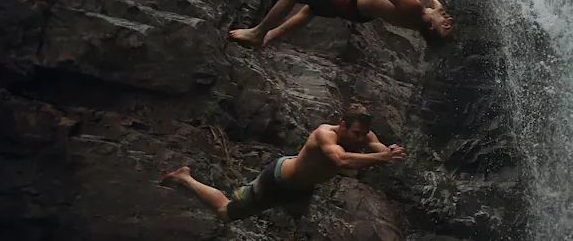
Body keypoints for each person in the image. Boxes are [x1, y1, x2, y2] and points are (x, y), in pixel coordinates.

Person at [160, 103, 406, 222]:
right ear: (342, 126)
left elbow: (381, 150)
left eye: (363, 134)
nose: (360, 138)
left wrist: (390, 152)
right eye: (355, 133)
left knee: (302, 225)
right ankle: (185, 177)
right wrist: (381, 157)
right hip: (278, 180)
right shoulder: (325, 134)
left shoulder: (365, 137)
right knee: (226, 213)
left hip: (302, 190)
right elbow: (340, 159)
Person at [228, 0, 454, 48]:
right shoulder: (424, 6)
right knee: (310, 11)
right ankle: (270, 37)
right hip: (359, 10)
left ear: (431, 26)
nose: (449, 18)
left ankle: (258, 33)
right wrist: (436, 7)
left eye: (445, 25)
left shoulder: (413, 8)